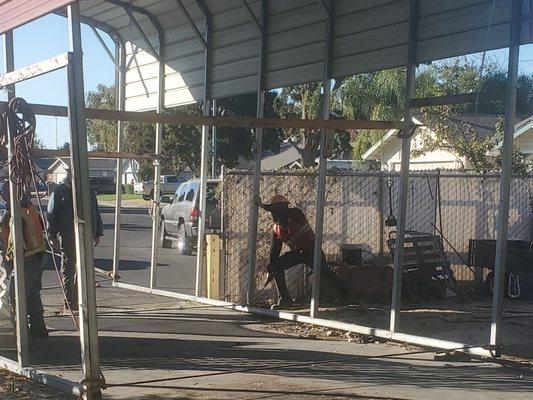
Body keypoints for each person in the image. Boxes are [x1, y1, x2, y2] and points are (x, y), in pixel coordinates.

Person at [47, 167, 104, 312]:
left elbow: (95, 211)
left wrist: (98, 232)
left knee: (84, 267)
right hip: (68, 236)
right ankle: (69, 300)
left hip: (87, 235)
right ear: (69, 174)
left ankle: (81, 297)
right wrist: (51, 236)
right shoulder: (59, 191)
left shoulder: (88, 191)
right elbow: (51, 215)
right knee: (68, 267)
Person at [256, 194, 327, 308]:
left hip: (312, 251)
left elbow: (283, 212)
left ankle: (346, 296)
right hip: (298, 253)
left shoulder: (295, 214)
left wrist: (263, 206)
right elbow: (274, 251)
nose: (276, 212)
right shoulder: (277, 228)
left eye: (278, 208)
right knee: (276, 265)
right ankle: (285, 299)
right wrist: (271, 268)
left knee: (326, 274)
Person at [0, 180, 49, 341]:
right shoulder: (29, 207)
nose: (2, 196)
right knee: (33, 294)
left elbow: (16, 245)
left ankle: (22, 334)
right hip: (37, 256)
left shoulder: (14, 214)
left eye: (4, 193)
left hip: (26, 260)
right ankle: (38, 328)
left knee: (17, 297)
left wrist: (9, 264)